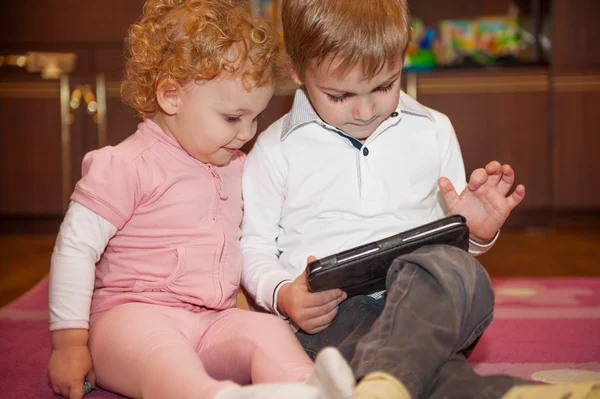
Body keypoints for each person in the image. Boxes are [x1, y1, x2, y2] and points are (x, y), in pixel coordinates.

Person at [240, 0, 600, 398]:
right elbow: (253, 246)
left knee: (460, 274)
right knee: (411, 357)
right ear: (297, 72)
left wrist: (475, 233)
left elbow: (452, 243)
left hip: (425, 305)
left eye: (383, 86)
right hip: (334, 314)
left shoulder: (433, 130)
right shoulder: (274, 150)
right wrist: (284, 295)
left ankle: (384, 381)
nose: (364, 110)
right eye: (339, 95)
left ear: (402, 57)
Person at [46, 1, 357, 399]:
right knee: (163, 357)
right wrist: (69, 344)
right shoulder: (125, 164)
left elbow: (267, 233)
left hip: (213, 321)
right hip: (129, 322)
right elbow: (74, 248)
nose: (247, 132)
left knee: (266, 329)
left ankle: (307, 389)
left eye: (256, 118)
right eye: (232, 118)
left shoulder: (238, 167)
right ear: (171, 97)